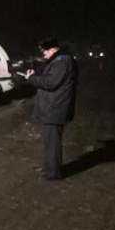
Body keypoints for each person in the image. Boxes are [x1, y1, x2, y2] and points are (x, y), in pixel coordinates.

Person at [26, 38, 78, 181]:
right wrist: (36, 74)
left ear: (52, 49)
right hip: (53, 107)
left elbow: (50, 82)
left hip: (54, 108)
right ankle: (49, 167)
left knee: (53, 142)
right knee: (50, 141)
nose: (44, 55)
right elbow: (49, 77)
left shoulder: (61, 62)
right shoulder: (60, 60)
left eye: (45, 52)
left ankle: (53, 173)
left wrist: (31, 78)